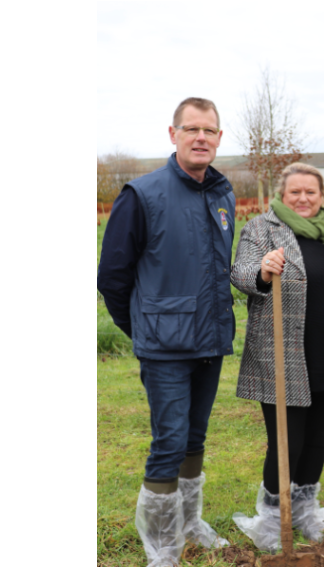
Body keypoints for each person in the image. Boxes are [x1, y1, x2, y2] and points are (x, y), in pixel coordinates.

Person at [97, 97, 235, 567]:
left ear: (220, 138)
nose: (201, 138)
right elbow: (112, 276)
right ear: (172, 134)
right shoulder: (142, 194)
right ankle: (161, 547)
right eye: (191, 129)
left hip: (210, 341)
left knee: (195, 438)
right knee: (169, 441)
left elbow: (218, 270)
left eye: (209, 130)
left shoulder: (222, 195)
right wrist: (143, 327)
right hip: (165, 349)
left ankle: (190, 522)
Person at [230, 163, 324, 553]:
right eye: (296, 192)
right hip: (284, 356)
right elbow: (240, 274)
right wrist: (262, 270)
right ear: (282, 194)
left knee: (316, 440)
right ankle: (273, 522)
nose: (304, 198)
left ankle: (305, 512)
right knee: (286, 443)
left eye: (311, 192)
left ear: (322, 195)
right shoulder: (262, 229)